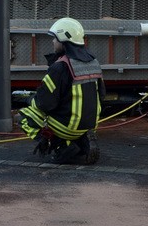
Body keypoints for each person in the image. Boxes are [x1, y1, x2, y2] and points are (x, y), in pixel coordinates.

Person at [19, 17, 105, 164]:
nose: (53, 42)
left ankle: (63, 146)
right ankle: (82, 141)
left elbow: (45, 104)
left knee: (25, 117)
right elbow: (102, 95)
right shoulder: (93, 62)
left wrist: (30, 99)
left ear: (64, 39)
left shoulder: (59, 67)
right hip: (90, 124)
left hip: (69, 126)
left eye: (55, 38)